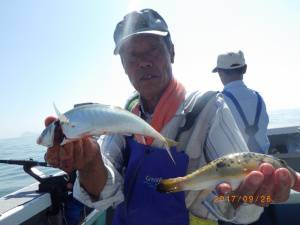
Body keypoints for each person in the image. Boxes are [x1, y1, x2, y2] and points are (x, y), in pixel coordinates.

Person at [44, 9, 300, 225]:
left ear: (172, 53)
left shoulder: (209, 108)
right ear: (123, 66)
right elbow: (107, 192)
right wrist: (90, 162)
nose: (143, 61)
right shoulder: (125, 114)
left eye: (153, 50)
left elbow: (237, 208)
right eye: (132, 55)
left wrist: (251, 199)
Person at [212, 51, 270, 154]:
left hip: (237, 165)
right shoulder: (259, 98)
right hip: (262, 162)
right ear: (245, 69)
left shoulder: (218, 101)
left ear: (220, 73)